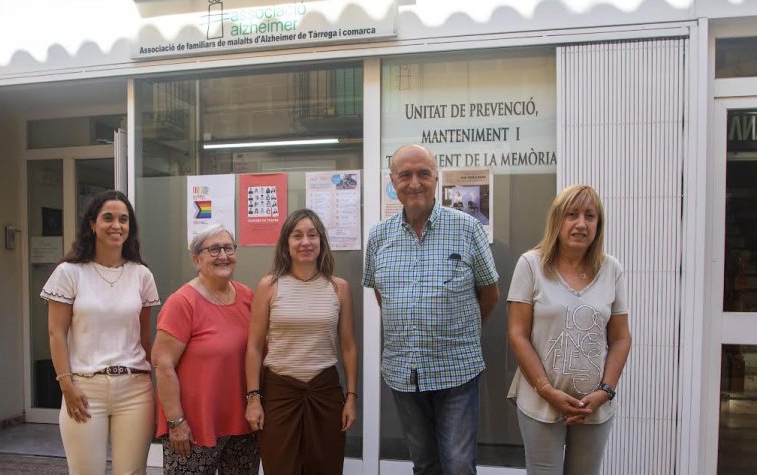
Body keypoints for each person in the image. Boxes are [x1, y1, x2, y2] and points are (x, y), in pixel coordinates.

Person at [362, 144, 500, 474]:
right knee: (424, 464)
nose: (414, 183)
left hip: (456, 372)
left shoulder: (466, 228)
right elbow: (382, 295)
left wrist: (456, 332)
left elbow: (490, 293)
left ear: (436, 178)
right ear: (392, 181)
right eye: (405, 175)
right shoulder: (379, 237)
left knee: (457, 465)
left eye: (423, 174)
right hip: (403, 372)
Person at [506, 184, 632, 475]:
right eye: (571, 215)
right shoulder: (531, 265)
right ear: (557, 221)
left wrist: (605, 391)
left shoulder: (612, 269)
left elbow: (621, 337)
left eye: (590, 216)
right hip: (540, 401)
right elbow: (517, 334)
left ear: (598, 224)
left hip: (593, 405)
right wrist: (547, 390)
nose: (581, 224)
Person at [41, 190, 160, 475]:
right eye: (108, 218)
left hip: (135, 389)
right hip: (84, 389)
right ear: (92, 224)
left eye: (123, 219)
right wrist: (66, 385)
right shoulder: (69, 272)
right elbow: (56, 334)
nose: (116, 225)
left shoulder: (141, 275)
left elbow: (143, 338)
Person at [245, 208, 358, 474]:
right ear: (286, 243)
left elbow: (349, 346)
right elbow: (254, 347)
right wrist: (253, 398)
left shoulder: (338, 287)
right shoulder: (269, 286)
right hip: (279, 393)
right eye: (297, 236)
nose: (305, 242)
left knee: (326, 467)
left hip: (324, 391)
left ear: (321, 242)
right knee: (280, 467)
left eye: (312, 235)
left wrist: (351, 397)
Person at [152, 224, 260, 474]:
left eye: (228, 248)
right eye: (214, 249)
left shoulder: (247, 296)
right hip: (194, 427)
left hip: (242, 422)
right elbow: (163, 364)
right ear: (196, 259)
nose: (223, 255)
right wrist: (176, 422)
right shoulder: (182, 302)